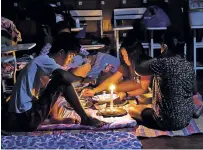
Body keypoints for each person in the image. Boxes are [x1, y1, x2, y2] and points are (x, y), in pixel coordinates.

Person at [1, 33, 105, 132]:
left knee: (60, 81)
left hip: (23, 117)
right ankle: (85, 118)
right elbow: (63, 77)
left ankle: (56, 119)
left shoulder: (44, 65)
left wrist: (54, 118)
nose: (71, 60)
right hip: (26, 118)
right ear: (61, 52)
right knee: (62, 80)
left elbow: (48, 94)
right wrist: (82, 79)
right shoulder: (43, 60)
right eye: (71, 55)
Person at [127, 35, 196, 131]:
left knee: (131, 109)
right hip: (186, 118)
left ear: (165, 47)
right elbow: (194, 90)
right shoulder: (189, 64)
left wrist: (162, 56)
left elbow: (138, 69)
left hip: (166, 121)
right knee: (144, 101)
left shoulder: (162, 63)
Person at [82, 40, 152, 100]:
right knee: (113, 88)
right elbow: (111, 80)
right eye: (123, 55)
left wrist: (126, 94)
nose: (124, 58)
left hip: (148, 95)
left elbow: (144, 89)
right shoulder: (125, 65)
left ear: (134, 54)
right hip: (134, 89)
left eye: (126, 55)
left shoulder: (144, 65)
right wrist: (94, 91)